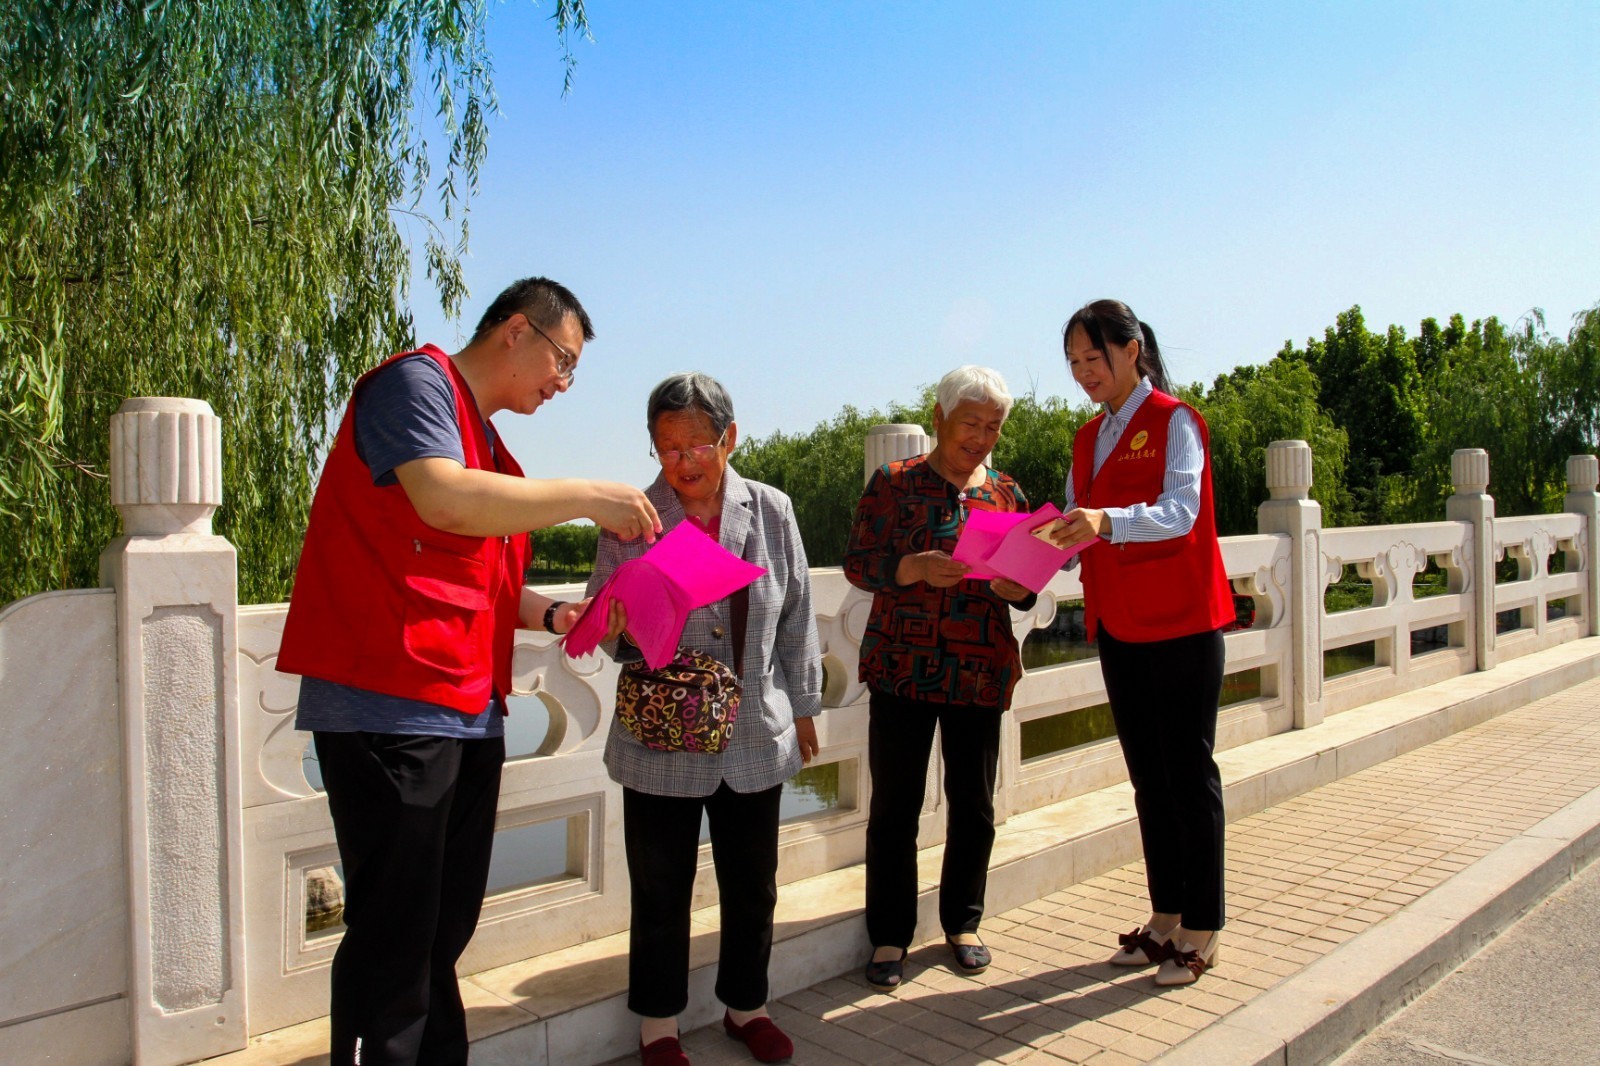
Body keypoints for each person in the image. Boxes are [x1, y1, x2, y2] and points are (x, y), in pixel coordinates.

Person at [276, 277, 658, 1066]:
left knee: (439, 933)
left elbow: (479, 579)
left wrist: (557, 616)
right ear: (516, 331)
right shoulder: (414, 386)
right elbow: (444, 503)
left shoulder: (487, 443)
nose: (562, 383)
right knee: (396, 938)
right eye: (564, 361)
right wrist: (588, 495)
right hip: (390, 708)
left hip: (465, 711)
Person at [590, 372, 823, 1066]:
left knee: (753, 882)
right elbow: (602, 620)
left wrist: (805, 707)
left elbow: (799, 613)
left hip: (755, 726)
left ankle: (746, 1006)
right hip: (661, 734)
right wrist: (625, 626)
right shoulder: (630, 516)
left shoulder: (772, 510)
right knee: (660, 885)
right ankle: (658, 1025)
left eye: (698, 444)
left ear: (730, 437)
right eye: (668, 448)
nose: (684, 461)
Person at [1048, 299, 1235, 987]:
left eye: (1093, 358)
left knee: (1190, 776)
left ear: (1133, 350)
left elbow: (1181, 514)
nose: (1084, 373)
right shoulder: (1085, 438)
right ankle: (1166, 916)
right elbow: (1077, 527)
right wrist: (1027, 554)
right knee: (1149, 781)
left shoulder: (1176, 422)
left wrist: (1105, 520)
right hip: (1119, 625)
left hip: (1184, 623)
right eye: (1073, 363)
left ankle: (1205, 924)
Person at [843, 365, 1037, 992]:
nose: (980, 438)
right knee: (894, 809)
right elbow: (859, 563)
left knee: (974, 807)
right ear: (939, 419)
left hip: (979, 671)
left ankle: (963, 923)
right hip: (902, 668)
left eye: (992, 427)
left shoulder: (1006, 493)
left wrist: (1019, 587)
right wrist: (912, 567)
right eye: (970, 424)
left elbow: (1030, 582)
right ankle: (891, 936)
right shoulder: (894, 483)